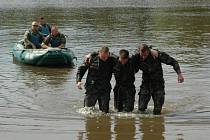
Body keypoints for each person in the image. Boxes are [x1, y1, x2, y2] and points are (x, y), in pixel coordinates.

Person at [133, 44, 184, 115]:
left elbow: (173, 62)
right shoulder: (136, 57)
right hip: (146, 84)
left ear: (148, 52)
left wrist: (179, 74)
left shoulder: (157, 55)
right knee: (141, 109)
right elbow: (126, 60)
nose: (143, 57)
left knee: (157, 111)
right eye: (142, 55)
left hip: (158, 85)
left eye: (145, 55)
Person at [76, 47, 115, 113]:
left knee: (105, 112)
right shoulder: (91, 59)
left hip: (105, 89)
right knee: (88, 111)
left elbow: (121, 58)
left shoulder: (112, 60)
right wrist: (78, 81)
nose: (104, 58)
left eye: (106, 57)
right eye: (102, 57)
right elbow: (81, 70)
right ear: (99, 54)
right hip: (92, 88)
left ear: (108, 54)